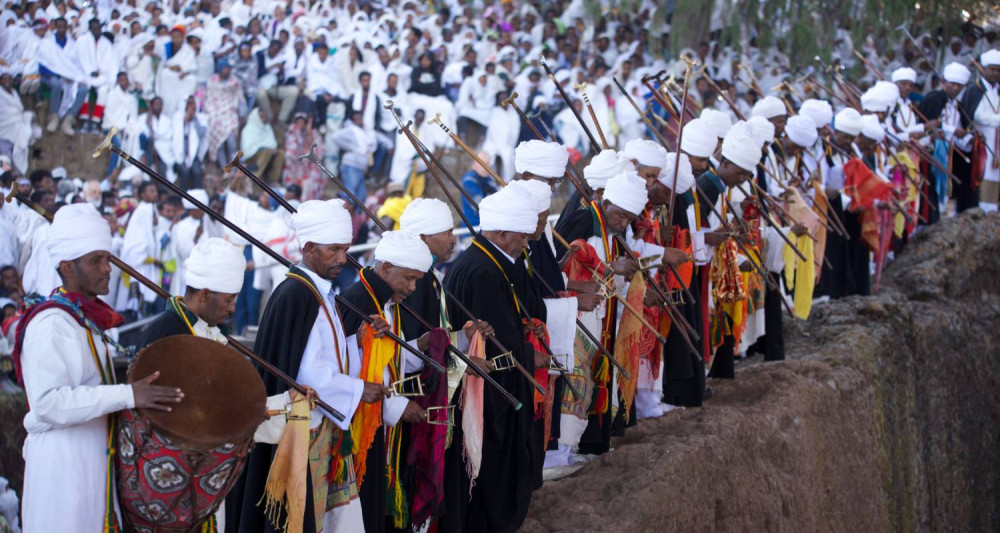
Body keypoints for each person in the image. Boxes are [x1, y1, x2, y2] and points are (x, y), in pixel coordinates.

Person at [16, 203, 183, 531]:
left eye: (107, 259)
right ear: (67, 267)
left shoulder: (84, 319)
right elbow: (48, 403)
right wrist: (128, 395)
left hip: (94, 465)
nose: (108, 269)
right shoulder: (50, 324)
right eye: (96, 260)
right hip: (62, 470)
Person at [229, 199, 388, 533]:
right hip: (303, 429)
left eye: (345, 249)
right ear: (311, 247)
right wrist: (359, 389)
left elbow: (323, 355)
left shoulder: (318, 291)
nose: (342, 259)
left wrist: (356, 342)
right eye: (334, 250)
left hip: (322, 425)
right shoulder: (295, 294)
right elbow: (304, 375)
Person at [139, 237, 302, 531]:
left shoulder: (207, 332)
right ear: (204, 294)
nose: (232, 308)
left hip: (205, 479)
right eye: (228, 299)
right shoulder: (166, 334)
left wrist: (286, 404)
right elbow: (183, 417)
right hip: (172, 486)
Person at [440, 185, 539, 533]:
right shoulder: (483, 270)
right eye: (521, 237)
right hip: (490, 387)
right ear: (499, 233)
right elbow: (497, 345)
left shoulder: (491, 260)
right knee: (492, 462)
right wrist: (529, 355)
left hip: (494, 383)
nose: (525, 244)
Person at [337, 230, 438, 532]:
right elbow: (347, 370)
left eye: (417, 280)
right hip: (360, 426)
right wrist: (396, 407)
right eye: (408, 279)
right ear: (385, 269)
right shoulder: (357, 301)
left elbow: (394, 362)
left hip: (382, 422)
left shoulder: (387, 301)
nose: (412, 287)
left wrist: (423, 344)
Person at [920, 62, 974, 217]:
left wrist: (967, 136)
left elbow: (965, 126)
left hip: (955, 153)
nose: (955, 88)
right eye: (952, 84)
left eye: (959, 85)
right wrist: (952, 131)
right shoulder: (934, 98)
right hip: (935, 152)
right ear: (944, 82)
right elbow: (929, 125)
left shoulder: (959, 103)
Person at [959, 49, 1000, 212]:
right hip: (981, 144)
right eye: (993, 69)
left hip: (997, 143)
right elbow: (977, 116)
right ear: (983, 69)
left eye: (999, 70)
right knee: (983, 177)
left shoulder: (997, 89)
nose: (996, 73)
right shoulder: (974, 89)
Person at [330, 110, 377, 202]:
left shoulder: (365, 130)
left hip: (361, 167)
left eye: (360, 118)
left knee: (361, 195)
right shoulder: (351, 129)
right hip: (351, 165)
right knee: (350, 193)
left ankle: (356, 215)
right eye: (357, 119)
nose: (359, 120)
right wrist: (351, 147)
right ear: (353, 120)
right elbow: (335, 137)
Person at [241, 107, 284, 183]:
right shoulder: (248, 130)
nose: (264, 119)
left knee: (281, 153)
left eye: (264, 117)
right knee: (266, 153)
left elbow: (272, 144)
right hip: (252, 157)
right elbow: (248, 150)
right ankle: (254, 179)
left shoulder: (267, 128)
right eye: (261, 117)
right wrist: (266, 150)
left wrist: (273, 150)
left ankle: (273, 180)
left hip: (266, 154)